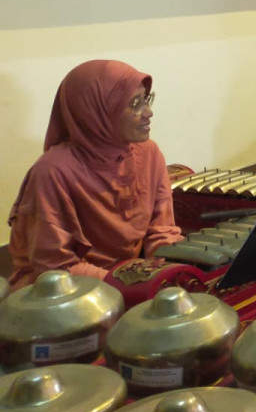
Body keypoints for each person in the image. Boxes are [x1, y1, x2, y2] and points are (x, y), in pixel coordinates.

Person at [7, 61, 182, 289]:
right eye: (134, 104)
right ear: (95, 111)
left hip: (129, 277)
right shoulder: (53, 171)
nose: (148, 113)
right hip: (59, 295)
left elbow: (162, 230)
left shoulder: (149, 153)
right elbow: (55, 267)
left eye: (146, 100)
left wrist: (164, 271)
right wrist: (128, 284)